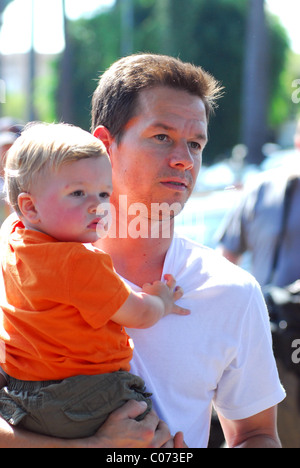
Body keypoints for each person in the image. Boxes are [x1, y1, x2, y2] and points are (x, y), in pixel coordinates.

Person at [0, 54, 285, 448]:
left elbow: (257, 435)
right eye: (162, 137)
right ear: (104, 144)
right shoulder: (16, 256)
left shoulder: (233, 291)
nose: (183, 160)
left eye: (196, 143)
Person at [0, 122, 188, 440]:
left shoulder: (12, 239)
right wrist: (162, 301)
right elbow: (138, 314)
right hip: (90, 394)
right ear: (30, 207)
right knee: (154, 434)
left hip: (22, 398)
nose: (97, 205)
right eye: (77, 193)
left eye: (103, 193)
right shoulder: (78, 261)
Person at [218, 118, 300, 448]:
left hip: (269, 342)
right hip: (270, 344)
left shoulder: (259, 187)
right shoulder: (260, 188)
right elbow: (223, 267)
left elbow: (223, 265)